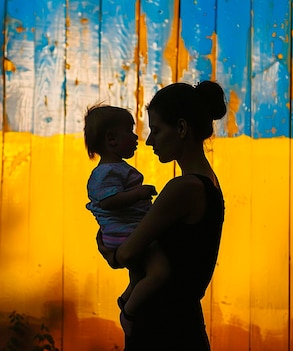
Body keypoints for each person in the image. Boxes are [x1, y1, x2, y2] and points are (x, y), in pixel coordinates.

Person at [96, 81, 227, 350]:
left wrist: (108, 248)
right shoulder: (210, 182)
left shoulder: (183, 188)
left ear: (181, 128)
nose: (149, 140)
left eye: (156, 130)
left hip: (162, 329)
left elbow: (127, 254)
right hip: (184, 324)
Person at [83, 105, 169, 335]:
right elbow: (108, 201)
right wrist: (138, 194)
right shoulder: (107, 171)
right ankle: (130, 312)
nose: (137, 137)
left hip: (125, 233)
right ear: (111, 139)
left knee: (140, 274)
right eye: (130, 132)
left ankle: (127, 298)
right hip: (126, 234)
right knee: (160, 272)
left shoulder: (116, 169)